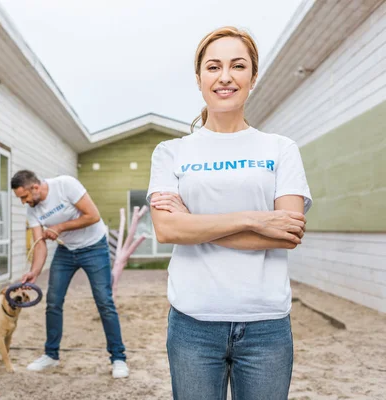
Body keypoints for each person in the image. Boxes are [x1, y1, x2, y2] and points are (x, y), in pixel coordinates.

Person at [147, 26, 312, 399]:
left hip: (266, 324)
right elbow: (167, 231)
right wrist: (255, 218)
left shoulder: (280, 149)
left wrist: (193, 222)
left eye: (237, 66)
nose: (225, 77)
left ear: (253, 77)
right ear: (199, 78)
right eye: (213, 67)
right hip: (193, 323)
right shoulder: (170, 152)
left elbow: (287, 234)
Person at [11, 170, 129, 378]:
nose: (23, 202)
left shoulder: (65, 185)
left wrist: (59, 227)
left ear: (35, 187)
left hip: (94, 247)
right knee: (53, 301)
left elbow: (93, 216)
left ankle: (118, 358)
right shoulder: (33, 210)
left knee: (104, 301)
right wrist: (34, 272)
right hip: (66, 251)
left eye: (24, 196)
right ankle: (51, 355)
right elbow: (40, 245)